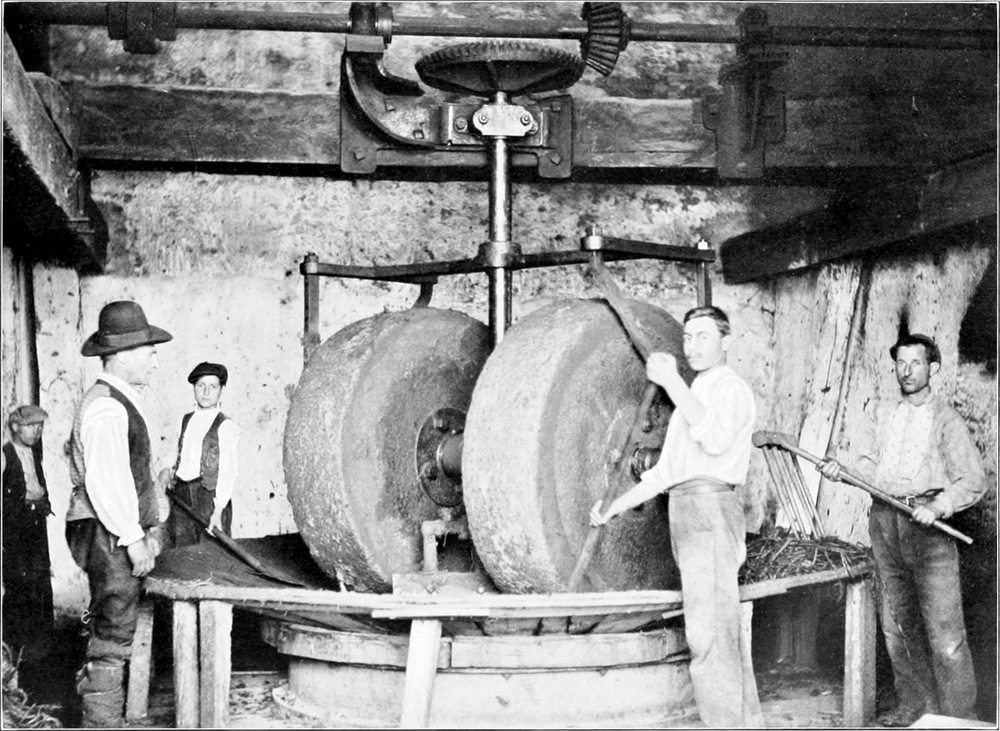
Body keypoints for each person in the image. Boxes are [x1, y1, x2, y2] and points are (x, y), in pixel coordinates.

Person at [590, 305, 762, 728]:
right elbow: (665, 474)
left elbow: (715, 439)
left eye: (703, 336)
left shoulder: (732, 390)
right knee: (712, 631)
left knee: (709, 636)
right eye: (687, 337)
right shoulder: (695, 391)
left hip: (710, 510)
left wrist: (671, 383)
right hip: (684, 510)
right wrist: (612, 508)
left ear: (726, 341)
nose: (692, 346)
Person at [817, 333, 985, 725]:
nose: (906, 371)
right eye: (900, 363)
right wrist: (842, 470)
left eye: (916, 363)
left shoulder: (946, 420)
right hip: (884, 522)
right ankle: (916, 707)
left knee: (946, 638)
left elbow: (973, 480)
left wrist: (938, 506)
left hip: (929, 531)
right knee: (897, 628)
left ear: (933, 368)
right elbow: (868, 466)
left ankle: (960, 718)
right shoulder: (883, 414)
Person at [65, 300, 172, 728]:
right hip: (109, 532)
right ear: (123, 354)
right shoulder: (107, 406)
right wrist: (132, 537)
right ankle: (100, 722)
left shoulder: (119, 399)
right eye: (148, 351)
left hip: (114, 529)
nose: (154, 360)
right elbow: (107, 481)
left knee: (117, 619)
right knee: (113, 625)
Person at [2, 405, 55, 668]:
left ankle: (41, 649)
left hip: (36, 524)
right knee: (19, 583)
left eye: (40, 426)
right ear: (15, 427)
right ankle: (15, 648)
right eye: (31, 426)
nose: (37, 431)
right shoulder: (5, 455)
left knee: (40, 580)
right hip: (16, 528)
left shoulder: (33, 453)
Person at [166, 361, 239, 546]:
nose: (206, 392)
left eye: (213, 387)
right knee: (182, 550)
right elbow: (175, 451)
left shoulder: (225, 426)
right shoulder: (185, 420)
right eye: (201, 385)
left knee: (213, 550)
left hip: (208, 498)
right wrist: (166, 470)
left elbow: (228, 471)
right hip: (182, 495)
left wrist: (218, 510)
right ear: (194, 388)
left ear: (221, 389)